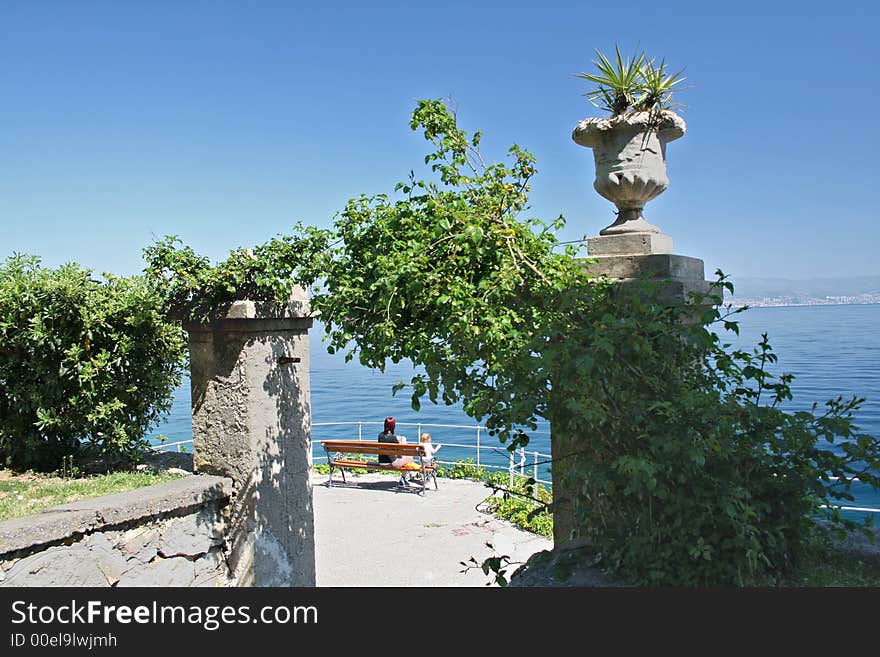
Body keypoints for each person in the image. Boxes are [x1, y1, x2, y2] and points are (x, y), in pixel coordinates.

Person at [377, 416, 414, 486]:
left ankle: (408, 476)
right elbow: (401, 451)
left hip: (381, 462)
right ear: (393, 426)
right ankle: (404, 478)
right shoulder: (393, 438)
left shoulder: (380, 435)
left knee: (407, 458)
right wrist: (403, 440)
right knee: (410, 458)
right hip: (390, 464)